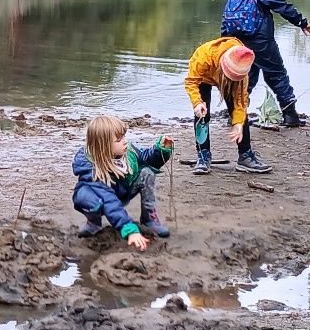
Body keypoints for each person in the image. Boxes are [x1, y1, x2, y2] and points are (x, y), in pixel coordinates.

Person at [220, 0, 310, 127]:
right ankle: (290, 115)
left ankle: (236, 115)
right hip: (261, 41)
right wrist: (301, 22)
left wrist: (224, 41)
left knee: (245, 76)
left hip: (238, 41)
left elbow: (226, 16)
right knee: (277, 74)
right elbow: (281, 5)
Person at [71, 113, 173, 248]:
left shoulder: (127, 150)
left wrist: (161, 150)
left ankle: (149, 218)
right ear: (104, 146)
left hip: (122, 190)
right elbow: (108, 199)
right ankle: (93, 223)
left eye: (124, 136)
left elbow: (146, 157)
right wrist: (129, 229)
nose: (125, 141)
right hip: (100, 197)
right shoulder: (91, 168)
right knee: (87, 196)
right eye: (119, 139)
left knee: (147, 172)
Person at [183, 34, 271, 175]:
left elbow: (240, 102)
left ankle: (245, 156)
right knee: (202, 114)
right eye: (229, 76)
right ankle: (203, 156)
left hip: (233, 76)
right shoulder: (204, 56)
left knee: (240, 113)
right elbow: (191, 81)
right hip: (204, 77)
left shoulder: (242, 66)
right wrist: (197, 103)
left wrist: (238, 124)